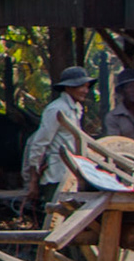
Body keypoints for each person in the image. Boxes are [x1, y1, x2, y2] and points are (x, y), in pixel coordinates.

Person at [24, 65, 92, 211]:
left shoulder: (75, 109)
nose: (85, 91)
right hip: (56, 173)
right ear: (68, 87)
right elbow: (40, 143)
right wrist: (33, 179)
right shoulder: (56, 109)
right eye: (81, 86)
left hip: (71, 172)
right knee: (55, 213)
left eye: (87, 87)